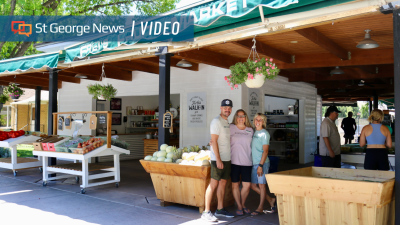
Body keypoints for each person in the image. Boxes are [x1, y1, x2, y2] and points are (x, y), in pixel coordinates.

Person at [201, 99, 235, 222]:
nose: (227, 110)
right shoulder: (216, 121)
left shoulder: (226, 121)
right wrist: (219, 160)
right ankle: (206, 212)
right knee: (213, 184)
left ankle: (220, 209)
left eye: (229, 108)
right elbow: (214, 141)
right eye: (225, 108)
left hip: (227, 158)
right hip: (218, 159)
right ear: (221, 108)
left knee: (223, 184)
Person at [250, 113, 276, 216]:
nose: (258, 121)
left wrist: (260, 166)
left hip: (262, 163)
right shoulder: (254, 132)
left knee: (261, 186)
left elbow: (265, 152)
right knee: (252, 185)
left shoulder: (264, 134)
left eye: (260, 120)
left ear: (263, 122)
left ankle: (260, 208)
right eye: (256, 119)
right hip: (254, 163)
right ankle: (270, 199)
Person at [229, 109, 253, 216]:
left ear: (245, 117)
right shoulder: (231, 127)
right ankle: (239, 206)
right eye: (238, 116)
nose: (240, 118)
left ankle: (243, 204)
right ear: (235, 117)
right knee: (235, 185)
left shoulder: (250, 130)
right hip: (234, 161)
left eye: (243, 116)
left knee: (246, 185)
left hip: (247, 161)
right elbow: (223, 139)